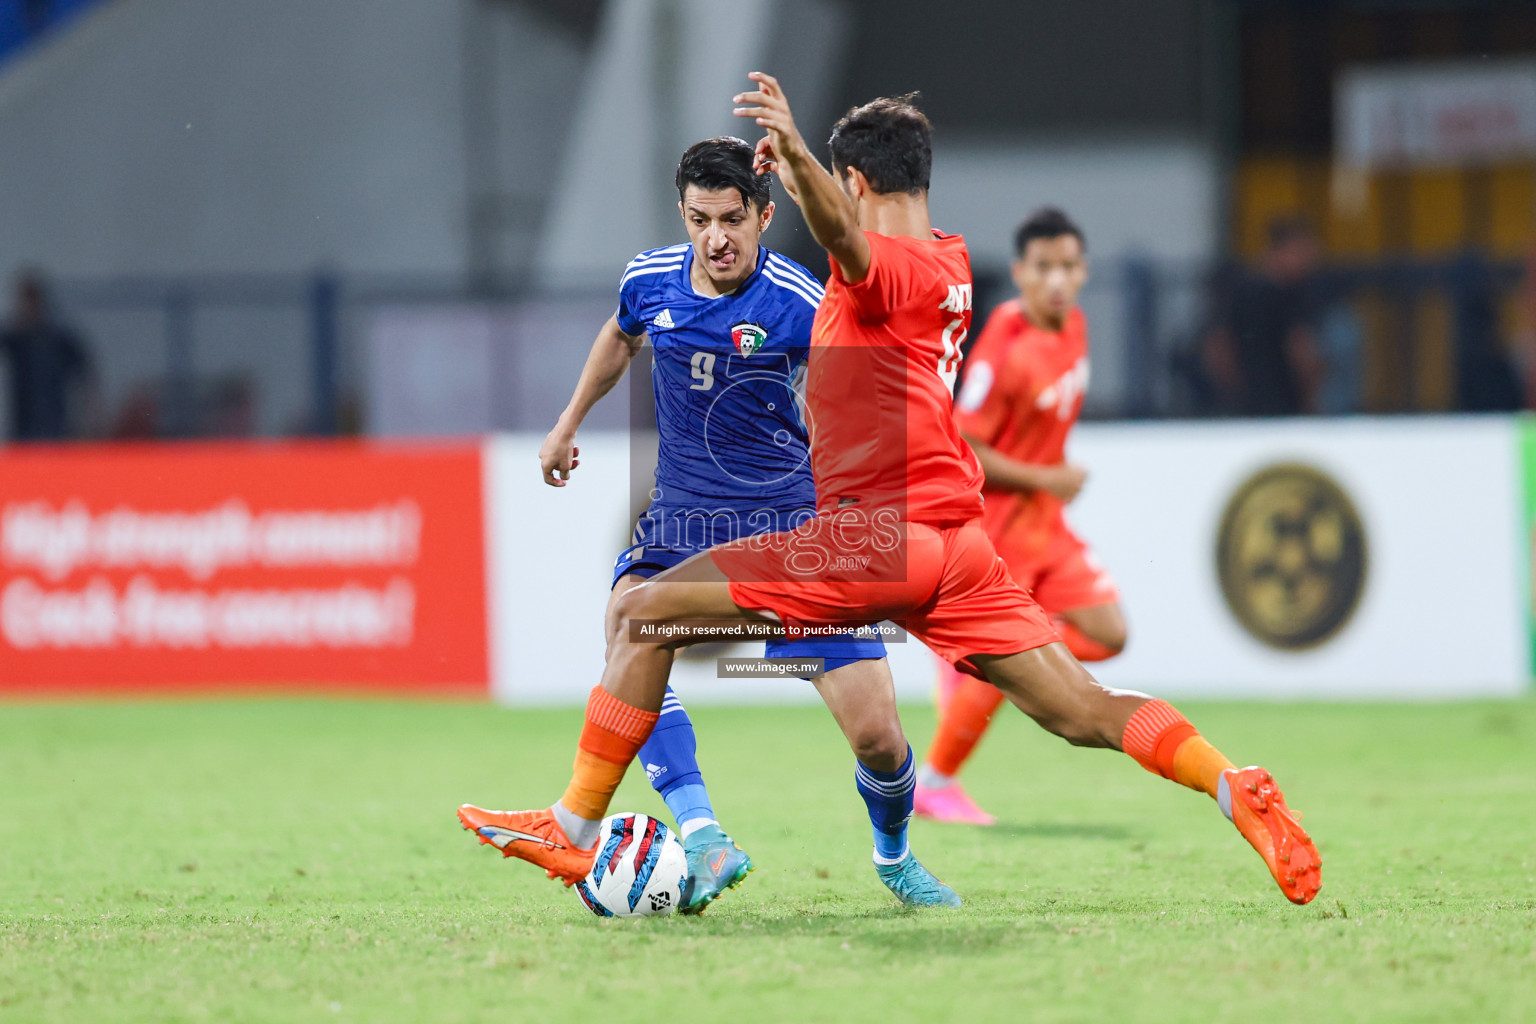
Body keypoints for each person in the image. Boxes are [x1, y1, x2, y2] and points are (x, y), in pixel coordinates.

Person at [461, 75, 1321, 909]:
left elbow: (848, 245)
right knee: (1084, 709)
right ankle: (1227, 781)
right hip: (959, 545)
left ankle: (572, 822)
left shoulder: (885, 272)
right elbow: (849, 253)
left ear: (855, 181)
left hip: (871, 543)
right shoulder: (951, 264)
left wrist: (795, 155)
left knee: (644, 615)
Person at [457, 137, 903, 910]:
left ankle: (894, 854)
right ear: (683, 214)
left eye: (733, 219)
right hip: (683, 521)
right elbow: (620, 334)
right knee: (629, 626)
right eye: (700, 219)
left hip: (790, 530)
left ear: (765, 216)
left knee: (877, 738)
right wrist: (567, 424)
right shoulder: (649, 278)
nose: (716, 237)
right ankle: (696, 836)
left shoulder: (798, 301)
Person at [913, 208, 1127, 826]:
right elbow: (964, 441)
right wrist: (1048, 477)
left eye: (1068, 266)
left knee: (1109, 633)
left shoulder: (1075, 327)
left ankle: (981, 667)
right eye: (1043, 268)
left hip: (1048, 525)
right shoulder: (1001, 349)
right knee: (1006, 653)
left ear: (1084, 271)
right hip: (1003, 526)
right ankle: (936, 783)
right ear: (1020, 273)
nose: (1057, 280)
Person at [1202, 217, 1324, 417]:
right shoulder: (1288, 296)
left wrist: (1234, 392)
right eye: (1303, 250)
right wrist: (1310, 399)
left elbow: (1217, 349)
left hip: (1247, 408)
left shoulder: (1240, 290)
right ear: (1284, 250)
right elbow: (1302, 350)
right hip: (1283, 407)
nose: (1311, 258)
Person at [0, 269, 94, 441]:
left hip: (56, 424)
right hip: (23, 425)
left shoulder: (58, 337)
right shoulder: (16, 337)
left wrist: (87, 417)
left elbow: (85, 373)